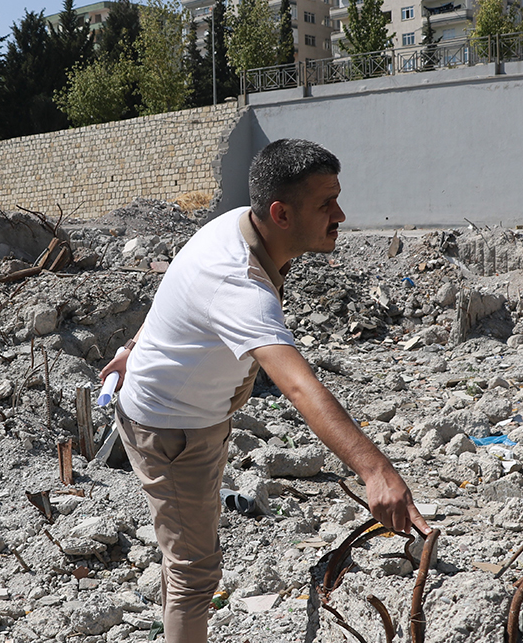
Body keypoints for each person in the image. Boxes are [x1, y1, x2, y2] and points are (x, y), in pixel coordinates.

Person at [100, 139, 430, 642]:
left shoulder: (238, 226)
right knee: (194, 573)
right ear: (281, 213)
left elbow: (180, 287)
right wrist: (376, 471)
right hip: (171, 431)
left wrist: (134, 346)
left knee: (185, 554)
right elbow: (297, 384)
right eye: (326, 204)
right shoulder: (239, 282)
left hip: (194, 415)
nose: (340, 215)